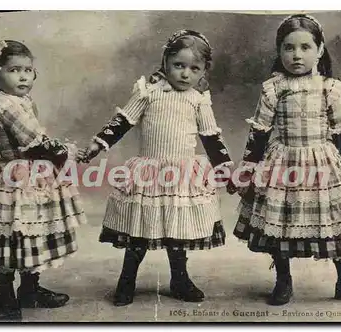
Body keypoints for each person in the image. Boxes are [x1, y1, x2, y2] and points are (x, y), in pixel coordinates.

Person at [230, 15, 341, 305]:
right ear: (279, 52)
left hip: (323, 164)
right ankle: (284, 282)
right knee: (282, 222)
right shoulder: (272, 89)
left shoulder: (330, 88)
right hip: (282, 166)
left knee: (336, 222)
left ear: (320, 49)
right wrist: (248, 170)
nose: (297, 55)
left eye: (305, 47)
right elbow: (259, 133)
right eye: (289, 48)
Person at [78, 30, 232, 306]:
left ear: (203, 71)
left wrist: (227, 170)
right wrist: (98, 144)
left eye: (194, 68)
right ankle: (127, 280)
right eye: (178, 65)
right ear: (165, 61)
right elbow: (121, 121)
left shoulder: (198, 101)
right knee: (139, 230)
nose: (185, 74)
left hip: (182, 175)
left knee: (177, 231)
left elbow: (212, 138)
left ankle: (180, 279)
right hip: (149, 173)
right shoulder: (148, 93)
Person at [0, 40, 86, 319]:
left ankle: (30, 289)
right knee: (12, 234)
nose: (23, 76)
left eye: (28, 70)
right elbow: (34, 142)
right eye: (14, 70)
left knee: (34, 231)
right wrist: (68, 153)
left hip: (34, 173)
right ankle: (5, 294)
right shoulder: (4, 104)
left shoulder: (20, 101)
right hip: (16, 175)